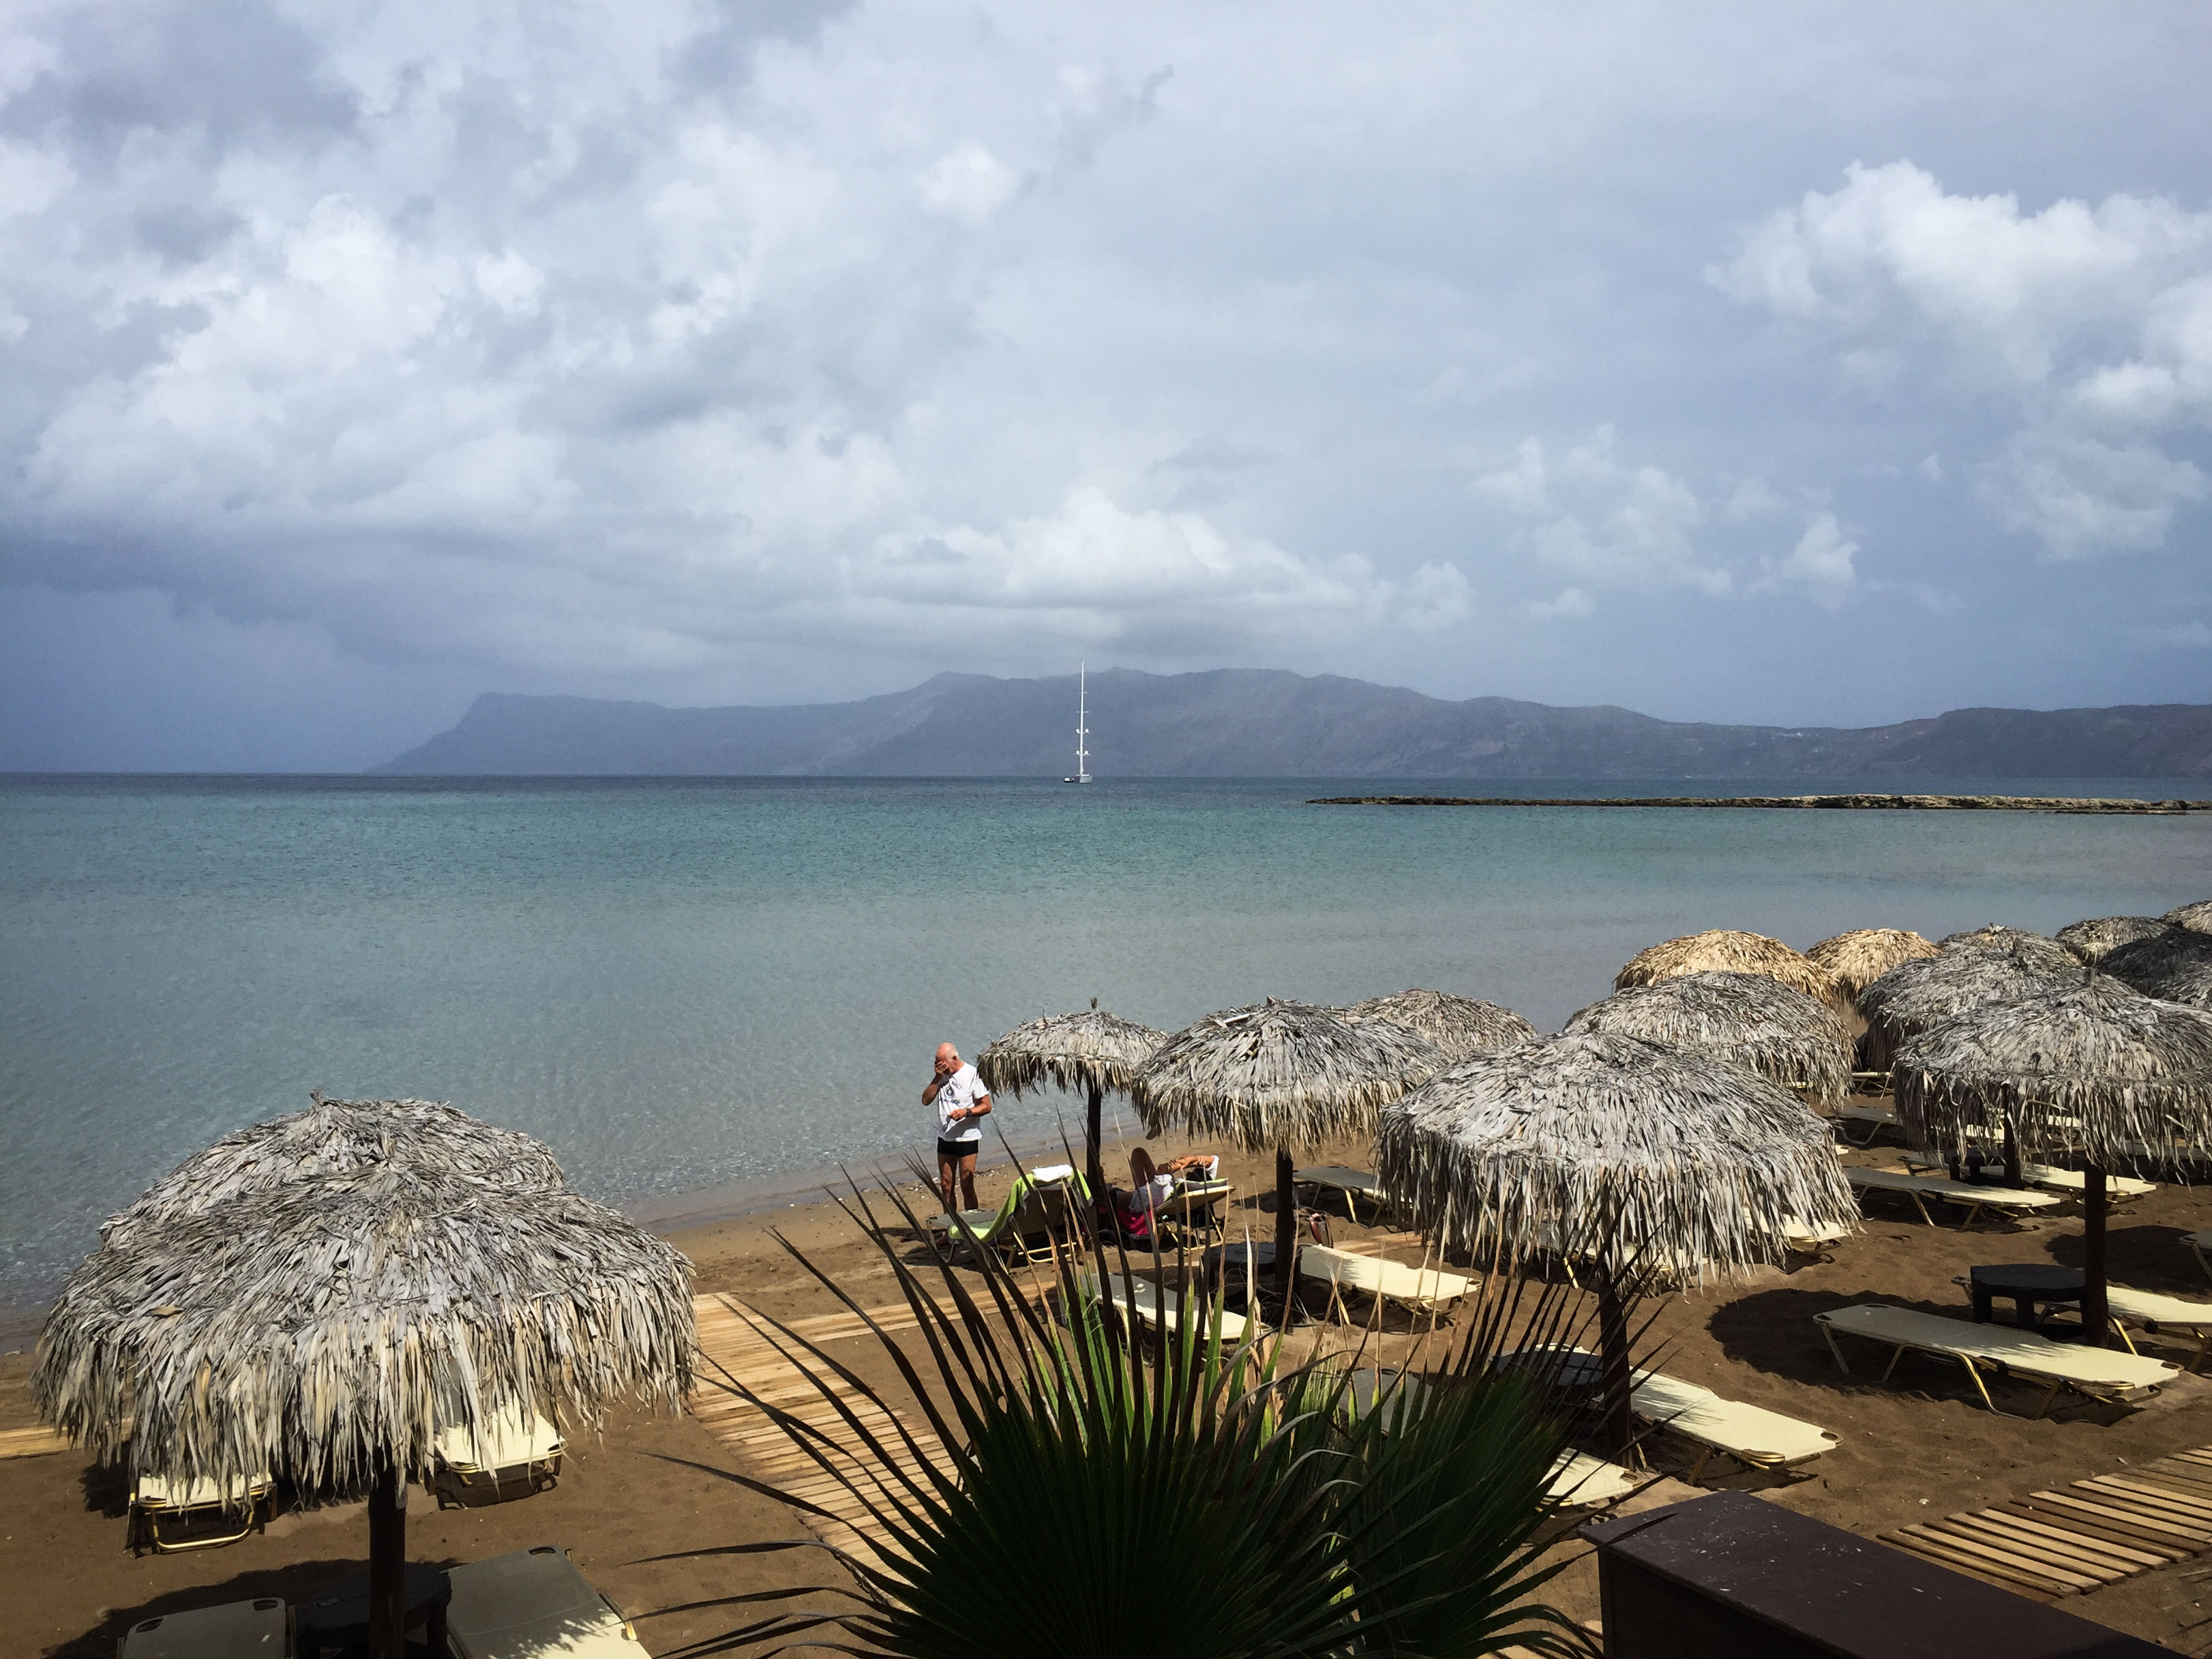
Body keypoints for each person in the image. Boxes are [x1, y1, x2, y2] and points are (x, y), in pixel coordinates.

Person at [924, 1041, 993, 1216]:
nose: (940, 1068)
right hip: (945, 1137)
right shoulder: (941, 1077)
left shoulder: (972, 1074)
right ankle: (951, 1225)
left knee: (966, 1184)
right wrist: (937, 1078)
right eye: (937, 1064)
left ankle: (973, 1223)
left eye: (943, 1064)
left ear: (954, 1059)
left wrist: (966, 1112)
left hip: (967, 1137)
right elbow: (925, 1100)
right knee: (946, 1185)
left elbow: (986, 1106)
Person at [1128, 1146, 1219, 1216]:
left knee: (1138, 1152)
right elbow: (1213, 1161)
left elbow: (1213, 1161)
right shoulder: (1190, 1187)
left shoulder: (1166, 1185)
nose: (1175, 1160)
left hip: (1145, 1199)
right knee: (1139, 1152)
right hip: (1158, 1193)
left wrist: (1182, 1163)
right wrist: (1190, 1160)